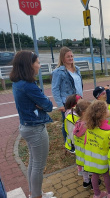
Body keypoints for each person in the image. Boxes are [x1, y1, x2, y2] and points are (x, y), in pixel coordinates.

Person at [10, 51, 55, 198]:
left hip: (26, 126)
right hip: (35, 129)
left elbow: (42, 104)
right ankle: (36, 196)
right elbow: (48, 106)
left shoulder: (17, 83)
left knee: (33, 162)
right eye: (38, 62)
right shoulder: (29, 86)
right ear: (30, 65)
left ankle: (34, 193)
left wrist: (41, 103)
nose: (39, 65)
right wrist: (43, 103)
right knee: (38, 165)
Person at [83, 100, 110, 198]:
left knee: (94, 175)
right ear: (102, 113)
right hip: (103, 160)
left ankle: (97, 194)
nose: (108, 110)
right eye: (107, 109)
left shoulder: (89, 127)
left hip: (91, 158)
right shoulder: (108, 130)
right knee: (106, 176)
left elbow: (85, 142)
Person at [51, 47, 83, 144]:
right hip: (67, 102)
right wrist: (60, 104)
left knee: (78, 121)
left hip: (78, 100)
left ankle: (76, 141)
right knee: (68, 123)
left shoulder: (77, 69)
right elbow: (55, 88)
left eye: (72, 56)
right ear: (63, 58)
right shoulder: (58, 72)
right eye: (68, 56)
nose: (70, 58)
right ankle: (68, 143)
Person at [72, 99, 92, 188]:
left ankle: (86, 181)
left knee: (84, 168)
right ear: (84, 113)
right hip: (87, 151)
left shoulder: (77, 123)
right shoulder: (87, 125)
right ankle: (94, 183)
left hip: (79, 152)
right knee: (90, 167)